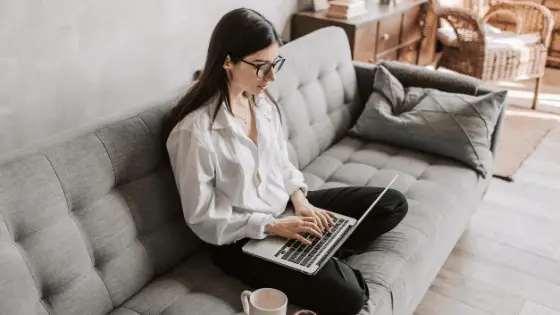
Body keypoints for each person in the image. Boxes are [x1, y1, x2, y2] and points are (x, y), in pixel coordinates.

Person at [162, 8, 408, 315]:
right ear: (228, 61)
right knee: (352, 298)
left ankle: (319, 250)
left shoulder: (260, 102)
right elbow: (203, 217)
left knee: (392, 204)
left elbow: (281, 163)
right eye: (262, 67)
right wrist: (274, 226)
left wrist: (301, 201)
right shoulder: (193, 132)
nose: (272, 76)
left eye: (275, 63)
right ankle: (318, 255)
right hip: (242, 240)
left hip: (286, 209)